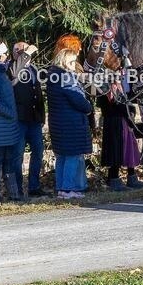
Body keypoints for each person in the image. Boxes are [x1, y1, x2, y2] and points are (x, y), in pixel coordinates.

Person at [47, 46, 93, 199]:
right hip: (70, 124)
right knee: (73, 156)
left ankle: (62, 187)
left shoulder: (54, 76)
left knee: (62, 157)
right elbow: (78, 100)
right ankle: (69, 188)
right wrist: (88, 107)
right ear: (66, 62)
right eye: (73, 62)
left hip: (59, 124)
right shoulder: (66, 78)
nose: (75, 65)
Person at [8, 42, 45, 197]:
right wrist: (27, 52)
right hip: (19, 120)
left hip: (34, 119)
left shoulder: (34, 69)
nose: (21, 52)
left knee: (38, 152)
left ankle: (34, 187)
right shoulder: (11, 68)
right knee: (17, 155)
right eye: (18, 50)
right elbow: (14, 75)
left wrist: (42, 116)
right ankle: (17, 189)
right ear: (12, 53)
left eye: (23, 50)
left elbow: (38, 94)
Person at [0, 41, 24, 203]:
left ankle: (14, 193)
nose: (8, 56)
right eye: (5, 53)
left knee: (8, 160)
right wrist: (11, 114)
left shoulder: (0, 71)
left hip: (7, 126)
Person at [97, 91, 143, 191]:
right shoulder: (106, 87)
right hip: (115, 122)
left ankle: (131, 177)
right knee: (116, 150)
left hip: (122, 121)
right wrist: (130, 110)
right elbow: (117, 105)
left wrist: (130, 111)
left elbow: (125, 103)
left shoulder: (118, 86)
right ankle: (114, 179)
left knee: (128, 150)